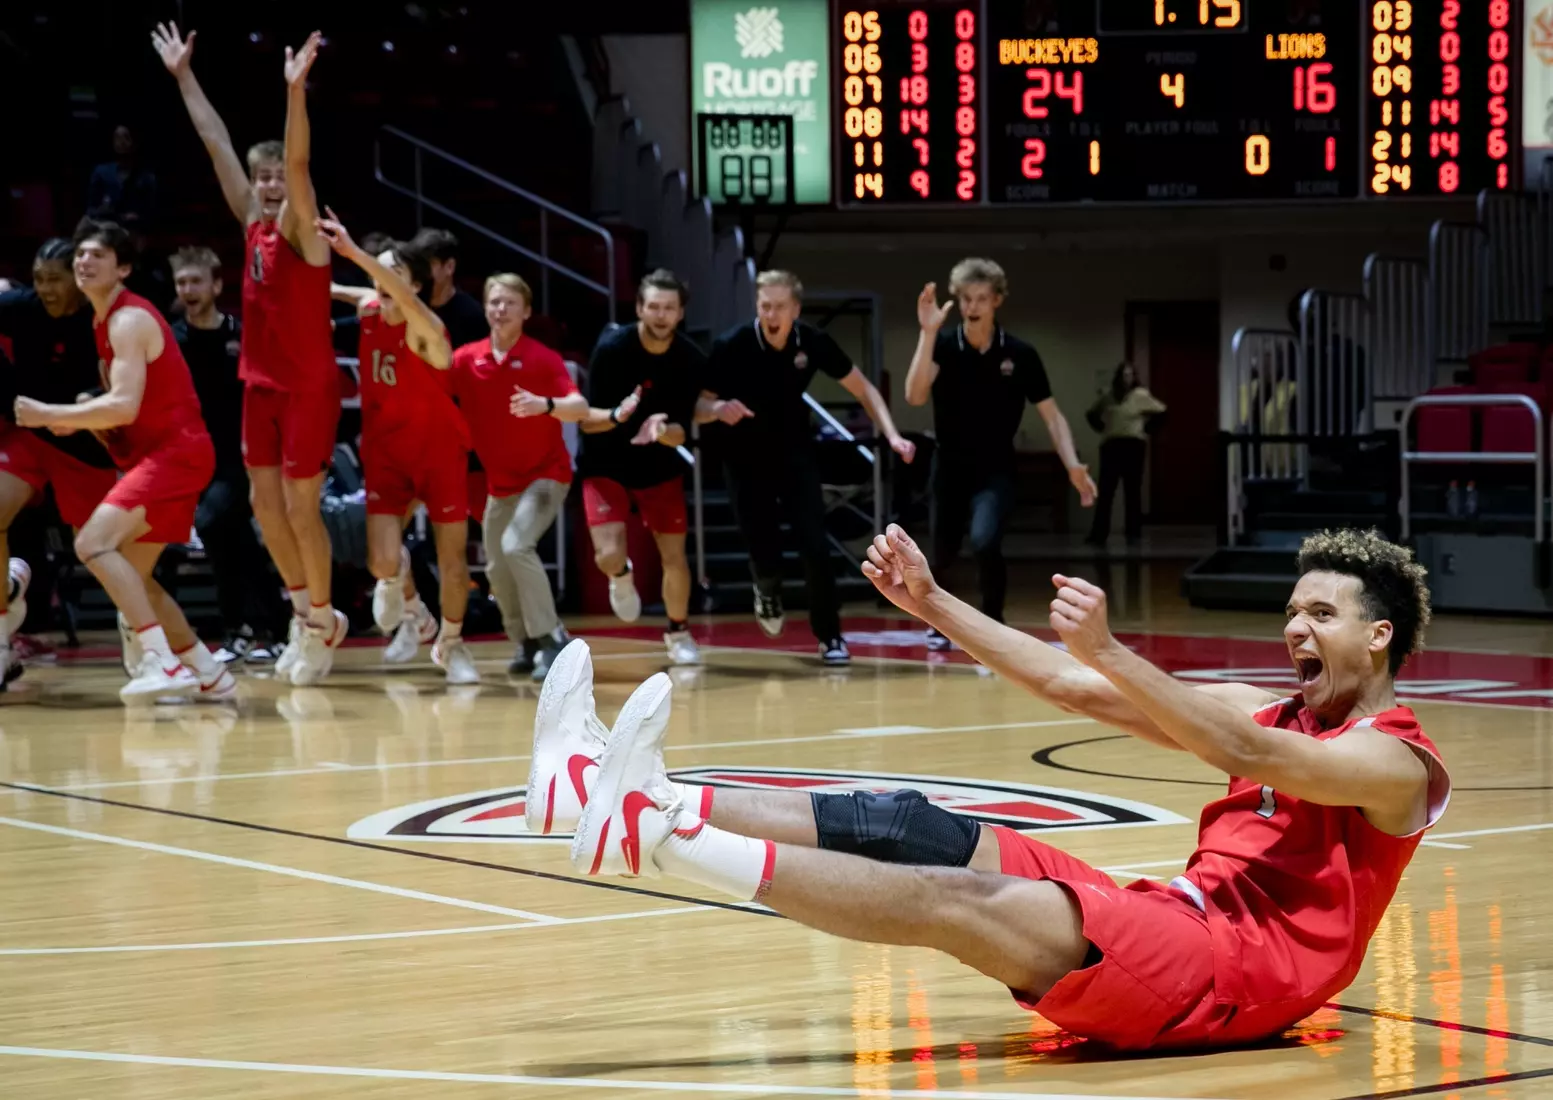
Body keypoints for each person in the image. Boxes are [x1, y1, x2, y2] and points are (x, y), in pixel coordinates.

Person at [533, 525, 1450, 1052]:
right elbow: (1067, 685)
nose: (1295, 626)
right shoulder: (1276, 710)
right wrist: (931, 603)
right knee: (908, 826)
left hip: (1231, 979)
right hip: (1182, 919)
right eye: (1291, 610)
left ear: (1377, 640)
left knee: (959, 897)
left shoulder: (1395, 761)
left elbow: (1260, 764)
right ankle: (611, 794)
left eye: (1320, 613)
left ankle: (656, 836)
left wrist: (1114, 651)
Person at [154, 24, 345, 685]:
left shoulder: (303, 229)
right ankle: (302, 612)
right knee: (264, 509)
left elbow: (298, 164)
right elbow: (215, 143)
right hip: (259, 383)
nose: (267, 184)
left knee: (300, 507)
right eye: (260, 176)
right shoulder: (251, 223)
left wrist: (295, 93)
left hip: (308, 388)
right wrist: (184, 78)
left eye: (274, 176)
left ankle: (322, 620)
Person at [16, 221, 233, 703]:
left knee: (92, 545)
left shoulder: (127, 320)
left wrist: (53, 414)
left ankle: (162, 662)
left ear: (124, 267)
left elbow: (125, 405)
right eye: (79, 256)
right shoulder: (102, 321)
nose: (83, 262)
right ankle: (208, 672)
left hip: (175, 455)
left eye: (96, 255)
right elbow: (122, 411)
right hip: (166, 454)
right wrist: (88, 420)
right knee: (137, 579)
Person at [705, 269, 915, 665]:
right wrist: (716, 408)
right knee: (763, 547)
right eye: (765, 305)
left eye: (780, 306)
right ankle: (766, 589)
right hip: (744, 458)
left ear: (795, 310)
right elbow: (697, 406)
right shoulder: (731, 345)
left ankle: (830, 635)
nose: (771, 313)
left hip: (795, 453)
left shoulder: (812, 343)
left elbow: (864, 389)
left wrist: (891, 434)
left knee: (815, 546)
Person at [315, 211, 479, 685]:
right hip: (387, 454)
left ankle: (451, 643)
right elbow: (354, 291)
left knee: (452, 560)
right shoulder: (370, 309)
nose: (380, 283)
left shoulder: (428, 329)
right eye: (378, 274)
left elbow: (392, 291)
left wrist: (354, 251)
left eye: (393, 274)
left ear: (416, 287)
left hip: (440, 453)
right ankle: (414, 610)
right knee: (382, 561)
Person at [906, 259, 1095, 650]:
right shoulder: (942, 347)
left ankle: (992, 622)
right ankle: (940, 623)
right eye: (966, 299)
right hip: (949, 466)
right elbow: (915, 395)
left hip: (996, 468)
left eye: (981, 299)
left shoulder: (1020, 354)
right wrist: (926, 334)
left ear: (997, 301)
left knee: (985, 541)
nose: (973, 307)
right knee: (941, 551)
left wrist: (1073, 465)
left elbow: (1052, 415)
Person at [451, 273, 588, 681]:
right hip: (501, 483)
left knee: (516, 546)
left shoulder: (542, 358)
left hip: (547, 475)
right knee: (496, 566)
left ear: (526, 311)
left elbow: (578, 406)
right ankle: (525, 639)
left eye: (509, 302)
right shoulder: (466, 359)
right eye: (493, 301)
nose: (500, 309)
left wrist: (544, 405)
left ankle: (552, 639)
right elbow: (436, 387)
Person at [0, 239, 122, 681]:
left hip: (83, 445)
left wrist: (93, 399)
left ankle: (148, 642)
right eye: (38, 279)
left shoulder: (103, 317)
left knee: (104, 550)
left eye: (54, 279)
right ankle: (2, 637)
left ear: (76, 277)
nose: (45, 288)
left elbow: (118, 385)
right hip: (30, 436)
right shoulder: (18, 306)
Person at [577, 270, 708, 668]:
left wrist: (662, 430)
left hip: (659, 466)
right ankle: (620, 575)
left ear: (681, 313)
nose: (660, 314)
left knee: (675, 557)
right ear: (639, 309)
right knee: (608, 554)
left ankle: (679, 630)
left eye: (669, 308)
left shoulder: (689, 358)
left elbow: (683, 430)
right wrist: (619, 416)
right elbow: (587, 419)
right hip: (606, 463)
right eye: (653, 306)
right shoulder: (612, 348)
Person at [169, 246, 282, 662]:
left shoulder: (240, 333)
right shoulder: (171, 338)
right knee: (230, 543)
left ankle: (257, 629)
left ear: (216, 285)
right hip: (195, 456)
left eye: (196, 281)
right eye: (182, 282)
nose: (188, 289)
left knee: (212, 523)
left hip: (242, 455)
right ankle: (253, 632)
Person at [1085, 362, 1166, 548]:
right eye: (1123, 375)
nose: (1126, 379)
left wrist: (1148, 429)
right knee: (1106, 491)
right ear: (1118, 377)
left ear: (1134, 377)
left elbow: (1162, 412)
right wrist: (1102, 428)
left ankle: (1133, 532)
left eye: (1130, 375)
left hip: (1133, 445)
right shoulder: (1108, 396)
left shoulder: (1140, 395)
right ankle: (1099, 533)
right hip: (1111, 445)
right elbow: (1091, 414)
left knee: (1133, 490)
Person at [412, 228, 488, 349]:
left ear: (449, 267)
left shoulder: (473, 316)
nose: (421, 272)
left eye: (428, 265)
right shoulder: (407, 304)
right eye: (417, 265)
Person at [86, 124, 159, 232]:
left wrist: (138, 217)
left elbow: (152, 213)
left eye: (126, 137)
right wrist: (104, 212)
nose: (121, 142)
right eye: (117, 137)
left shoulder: (146, 177)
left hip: (134, 232)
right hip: (105, 229)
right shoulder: (101, 172)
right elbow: (91, 209)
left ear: (135, 142)